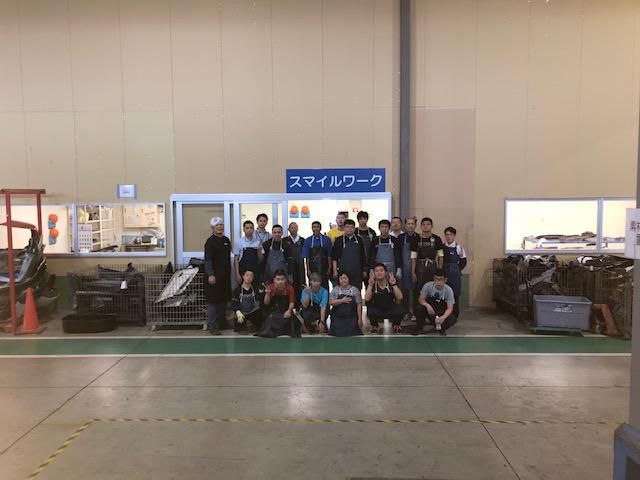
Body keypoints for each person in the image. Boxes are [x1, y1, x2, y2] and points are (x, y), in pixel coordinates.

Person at [204, 216, 232, 335]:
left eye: (221, 225)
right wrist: (211, 274)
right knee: (213, 302)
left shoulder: (226, 240)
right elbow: (208, 260)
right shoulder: (210, 242)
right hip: (214, 277)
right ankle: (212, 325)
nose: (220, 227)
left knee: (223, 300)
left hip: (225, 277)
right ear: (212, 228)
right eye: (217, 225)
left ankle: (222, 323)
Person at [256, 269, 300, 338]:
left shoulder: (290, 288)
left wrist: (289, 311)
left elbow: (291, 302)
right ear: (274, 280)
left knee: (292, 319)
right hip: (273, 310)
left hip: (285, 310)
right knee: (271, 318)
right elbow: (266, 303)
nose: (280, 282)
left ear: (285, 280)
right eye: (278, 279)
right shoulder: (270, 287)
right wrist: (267, 294)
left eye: (282, 279)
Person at [413, 217, 444, 314]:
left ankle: (432, 312)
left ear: (432, 226)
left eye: (428, 224)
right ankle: (417, 313)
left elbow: (441, 256)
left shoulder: (437, 239)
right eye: (424, 224)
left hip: (432, 267)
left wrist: (439, 271)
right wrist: (413, 272)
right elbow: (413, 257)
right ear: (421, 226)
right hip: (419, 267)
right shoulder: (416, 239)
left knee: (432, 289)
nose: (426, 226)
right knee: (419, 289)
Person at [365, 263, 405, 334]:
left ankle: (396, 325)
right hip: (377, 309)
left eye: (381, 270)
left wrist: (394, 284)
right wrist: (370, 285)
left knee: (400, 310)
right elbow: (367, 299)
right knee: (370, 311)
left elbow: (400, 297)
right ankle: (375, 326)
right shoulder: (372, 285)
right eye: (377, 271)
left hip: (390, 309)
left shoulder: (391, 283)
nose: (379, 272)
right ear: (374, 273)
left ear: (385, 273)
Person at [414, 269, 457, 336]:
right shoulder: (427, 286)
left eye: (441, 279)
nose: (438, 282)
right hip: (430, 311)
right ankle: (419, 328)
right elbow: (421, 299)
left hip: (441, 311)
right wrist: (428, 306)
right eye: (436, 279)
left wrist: (443, 317)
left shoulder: (449, 290)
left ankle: (442, 328)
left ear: (445, 280)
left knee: (452, 319)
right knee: (419, 308)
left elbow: (450, 308)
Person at [331, 219, 367, 290]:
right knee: (343, 292)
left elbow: (363, 256)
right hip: (343, 271)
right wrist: (335, 271)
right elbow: (334, 257)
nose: (349, 229)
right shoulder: (339, 240)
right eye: (347, 227)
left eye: (351, 227)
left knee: (356, 291)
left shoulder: (359, 239)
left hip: (357, 271)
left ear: (354, 228)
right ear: (344, 228)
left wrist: (364, 270)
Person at [329, 272, 363, 336]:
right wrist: (342, 300)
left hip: (351, 317)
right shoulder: (335, 289)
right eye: (341, 278)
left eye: (345, 278)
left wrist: (360, 319)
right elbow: (331, 302)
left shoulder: (355, 290)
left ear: (349, 279)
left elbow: (359, 305)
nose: (343, 280)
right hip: (338, 317)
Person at [443, 226, 467, 317]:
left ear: (454, 235)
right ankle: (445, 314)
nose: (448, 237)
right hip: (445, 274)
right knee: (445, 294)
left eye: (450, 235)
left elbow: (463, 261)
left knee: (455, 294)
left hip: (455, 275)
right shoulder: (442, 247)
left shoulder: (459, 247)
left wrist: (457, 269)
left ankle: (455, 314)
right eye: (447, 235)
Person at [302, 221, 332, 290]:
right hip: (312, 267)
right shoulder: (308, 240)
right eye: (314, 227)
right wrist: (308, 269)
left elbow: (329, 255)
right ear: (312, 228)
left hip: (324, 266)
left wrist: (329, 267)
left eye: (317, 227)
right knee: (313, 284)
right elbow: (307, 257)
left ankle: (325, 297)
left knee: (324, 284)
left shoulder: (326, 239)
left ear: (320, 228)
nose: (316, 229)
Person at [398, 216, 419, 316]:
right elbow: (398, 254)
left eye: (412, 224)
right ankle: (405, 312)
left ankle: (416, 312)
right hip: (404, 268)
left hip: (417, 268)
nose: (410, 226)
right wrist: (399, 268)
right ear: (405, 225)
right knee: (404, 291)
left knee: (416, 291)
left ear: (415, 225)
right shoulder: (401, 238)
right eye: (408, 224)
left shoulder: (419, 237)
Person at [234, 220, 262, 288]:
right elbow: (236, 260)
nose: (249, 230)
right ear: (244, 229)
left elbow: (261, 260)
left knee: (255, 290)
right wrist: (237, 274)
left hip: (255, 272)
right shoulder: (239, 242)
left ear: (253, 229)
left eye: (251, 228)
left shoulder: (258, 242)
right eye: (247, 228)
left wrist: (259, 251)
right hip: (243, 273)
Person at [283, 222, 305, 308]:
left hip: (300, 266)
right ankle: (290, 306)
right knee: (290, 285)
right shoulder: (285, 240)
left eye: (295, 227)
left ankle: (300, 306)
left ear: (298, 228)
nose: (294, 229)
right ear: (288, 229)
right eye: (292, 227)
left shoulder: (302, 240)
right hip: (289, 267)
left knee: (300, 285)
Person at [356, 211, 377, 284]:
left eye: (364, 218)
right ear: (358, 220)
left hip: (369, 262)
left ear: (367, 219)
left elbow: (374, 249)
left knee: (370, 284)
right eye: (361, 219)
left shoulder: (372, 232)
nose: (363, 220)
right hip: (357, 262)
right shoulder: (354, 232)